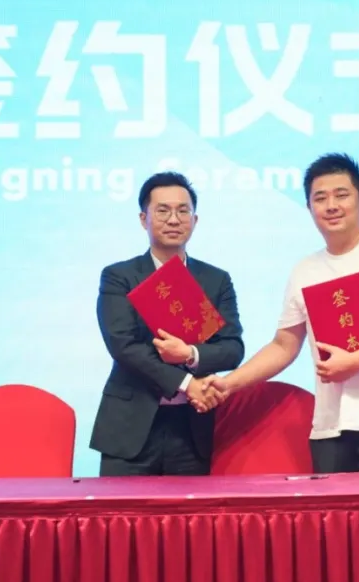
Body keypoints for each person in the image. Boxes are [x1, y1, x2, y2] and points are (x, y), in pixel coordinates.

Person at [202, 153, 359, 473]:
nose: (331, 206)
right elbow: (283, 346)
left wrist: (354, 362)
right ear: (309, 207)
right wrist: (229, 384)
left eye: (342, 195)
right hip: (330, 430)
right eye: (320, 198)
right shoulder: (305, 270)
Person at [91, 172, 245, 476]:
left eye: (182, 211)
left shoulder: (216, 280)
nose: (173, 220)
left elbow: (232, 348)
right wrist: (187, 384)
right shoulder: (120, 276)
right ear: (143, 219)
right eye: (162, 211)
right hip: (130, 426)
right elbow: (123, 345)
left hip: (192, 428)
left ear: (195, 220)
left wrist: (190, 353)